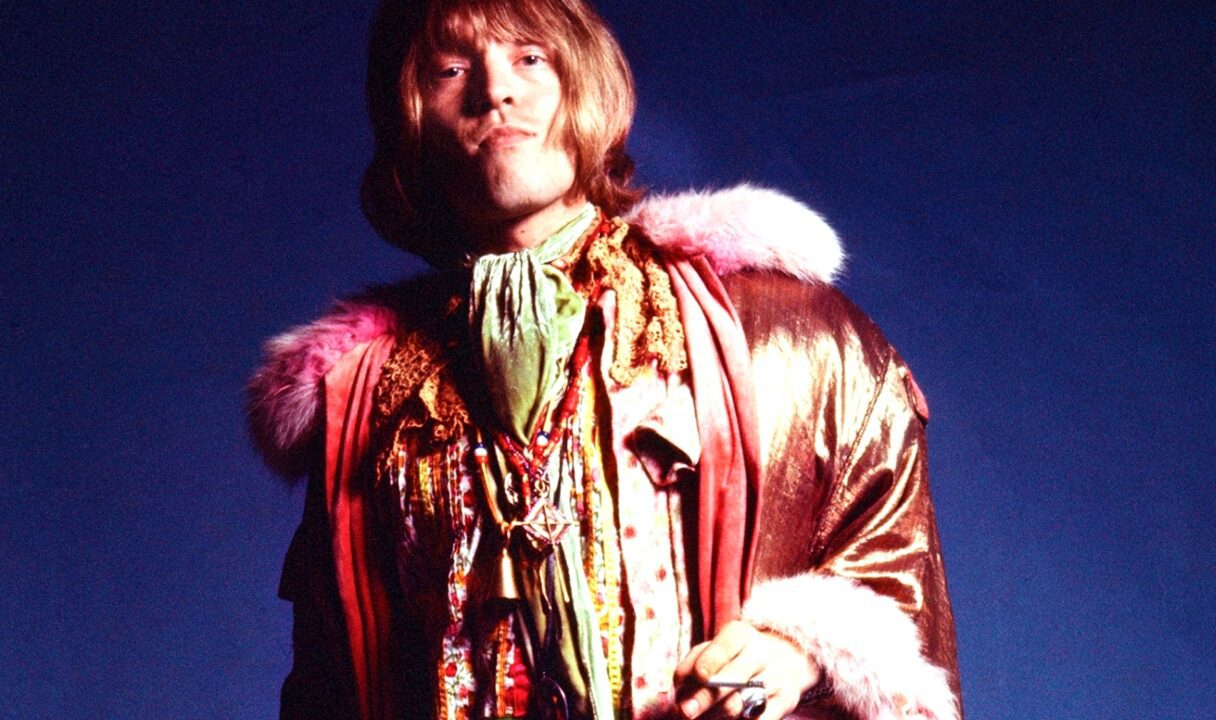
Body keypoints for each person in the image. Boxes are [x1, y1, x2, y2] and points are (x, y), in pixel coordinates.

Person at [247, 0, 960, 718]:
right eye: (450, 70)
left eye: (530, 58)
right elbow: (327, 687)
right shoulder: (366, 401)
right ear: (410, 122)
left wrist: (802, 645)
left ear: (585, 84)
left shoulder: (783, 332)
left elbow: (895, 574)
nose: (495, 90)